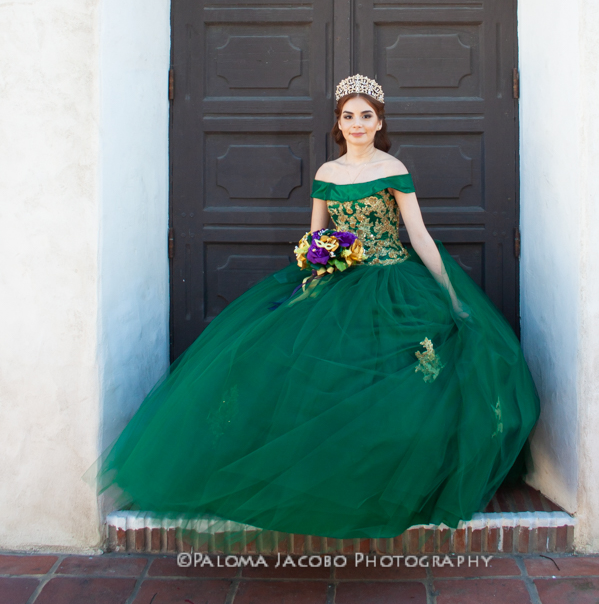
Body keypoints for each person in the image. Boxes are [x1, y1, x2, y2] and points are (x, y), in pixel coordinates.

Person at [96, 75, 539, 538]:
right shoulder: (326, 174)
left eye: (366, 115)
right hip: (337, 284)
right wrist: (314, 271)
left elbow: (420, 235)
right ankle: (313, 481)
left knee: (407, 381)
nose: (357, 124)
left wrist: (451, 294)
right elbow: (316, 237)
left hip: (392, 281)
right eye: (348, 116)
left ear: (380, 121)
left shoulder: (393, 168)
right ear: (339, 123)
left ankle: (390, 483)